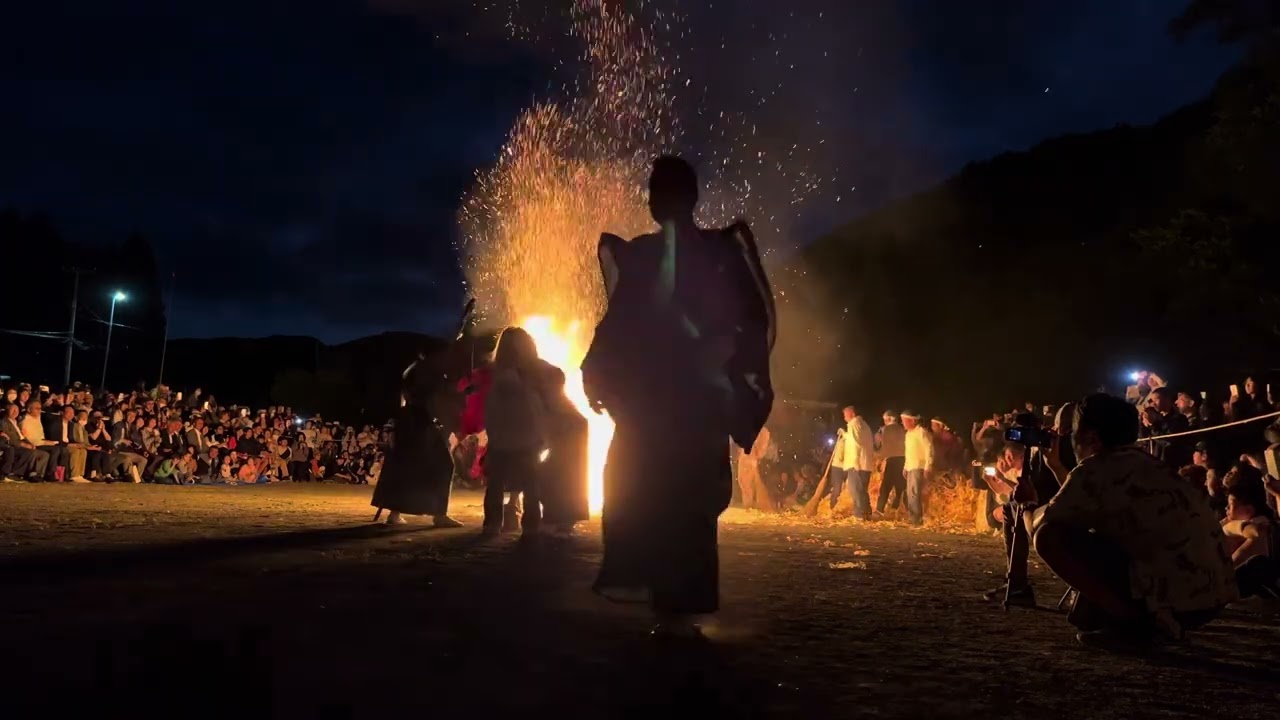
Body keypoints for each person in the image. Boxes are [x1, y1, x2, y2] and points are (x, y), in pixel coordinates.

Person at [583, 155, 775, 638]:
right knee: (674, 499)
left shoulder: (664, 256)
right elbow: (747, 323)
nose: (654, 200)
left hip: (665, 403)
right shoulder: (700, 253)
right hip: (688, 404)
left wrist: (600, 371)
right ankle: (674, 605)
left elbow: (619, 324)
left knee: (654, 493)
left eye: (657, 191)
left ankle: (670, 605)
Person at [1032, 393, 1237, 649]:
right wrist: (1056, 467)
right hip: (1209, 599)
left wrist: (1030, 505)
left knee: (1048, 537)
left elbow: (1045, 523)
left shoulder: (1097, 467)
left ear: (1091, 437)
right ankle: (1141, 620)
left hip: (1173, 601)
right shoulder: (1151, 464)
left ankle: (1136, 622)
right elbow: (1084, 504)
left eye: (1072, 431)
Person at [371, 346, 464, 528]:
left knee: (405, 465)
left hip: (408, 420)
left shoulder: (412, 370)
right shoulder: (427, 371)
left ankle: (395, 513)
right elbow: (435, 398)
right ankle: (439, 514)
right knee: (444, 463)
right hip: (421, 422)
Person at [482, 327, 547, 538]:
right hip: (523, 436)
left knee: (498, 481)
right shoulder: (518, 376)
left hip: (506, 436)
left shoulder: (498, 373)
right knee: (529, 481)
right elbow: (528, 407)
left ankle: (495, 524)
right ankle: (529, 525)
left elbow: (494, 409)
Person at [833, 406, 874, 519]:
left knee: (855, 490)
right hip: (866, 464)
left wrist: (855, 463)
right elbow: (855, 439)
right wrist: (844, 434)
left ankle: (859, 514)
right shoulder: (863, 425)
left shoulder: (853, 424)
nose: (844, 417)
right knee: (862, 490)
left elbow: (856, 444)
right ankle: (866, 513)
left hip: (857, 465)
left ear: (851, 414)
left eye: (845, 415)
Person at [901, 410, 933, 526]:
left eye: (905, 421)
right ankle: (913, 516)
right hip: (911, 467)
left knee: (915, 493)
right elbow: (908, 452)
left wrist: (928, 466)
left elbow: (929, 449)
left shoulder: (921, 432)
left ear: (912, 421)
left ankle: (917, 519)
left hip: (918, 466)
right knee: (910, 493)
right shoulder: (908, 434)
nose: (903, 423)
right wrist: (905, 466)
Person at [875, 411, 906, 516]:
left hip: (892, 460)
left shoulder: (887, 430)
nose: (884, 422)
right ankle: (897, 508)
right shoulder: (902, 430)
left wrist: (880, 460)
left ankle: (879, 510)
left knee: (885, 486)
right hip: (903, 460)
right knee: (900, 486)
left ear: (889, 419)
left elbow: (885, 447)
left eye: (885, 419)